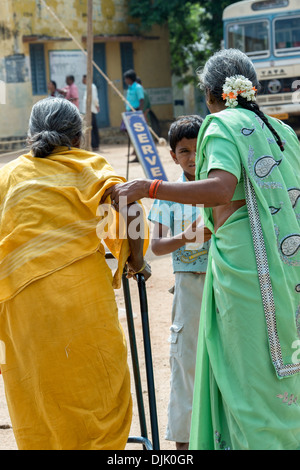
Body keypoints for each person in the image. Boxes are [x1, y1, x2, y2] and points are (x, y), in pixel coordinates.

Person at [101, 48, 300, 450]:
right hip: (286, 264)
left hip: (245, 267)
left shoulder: (221, 124)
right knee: (281, 371)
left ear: (211, 93)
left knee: (245, 376)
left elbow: (222, 188)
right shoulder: (283, 132)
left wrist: (147, 187)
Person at [0, 97, 150, 450]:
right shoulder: (89, 166)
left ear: (29, 136)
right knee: (99, 390)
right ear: (78, 138)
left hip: (22, 305)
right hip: (83, 299)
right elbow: (128, 205)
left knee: (37, 393)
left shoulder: (7, 175)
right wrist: (136, 261)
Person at [148, 115, 211, 450]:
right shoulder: (168, 195)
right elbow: (156, 246)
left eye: (197, 148)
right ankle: (183, 448)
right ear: (173, 156)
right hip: (187, 289)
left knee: (224, 364)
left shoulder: (221, 185)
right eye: (183, 151)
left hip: (223, 285)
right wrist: (189, 235)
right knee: (186, 366)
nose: (192, 157)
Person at [82, 74, 100, 152]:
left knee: (92, 128)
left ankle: (95, 144)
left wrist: (96, 105)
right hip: (88, 110)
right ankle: (94, 144)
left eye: (84, 79)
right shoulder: (88, 87)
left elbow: (94, 98)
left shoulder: (92, 87)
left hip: (91, 110)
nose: (82, 81)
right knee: (91, 127)